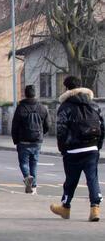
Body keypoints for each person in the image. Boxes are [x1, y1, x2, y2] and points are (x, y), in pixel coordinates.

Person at [50, 76, 103, 222]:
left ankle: (65, 207)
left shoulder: (65, 107)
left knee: (71, 180)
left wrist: (63, 149)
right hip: (92, 148)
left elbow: (61, 130)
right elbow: (102, 127)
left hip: (73, 149)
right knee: (92, 178)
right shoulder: (94, 105)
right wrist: (98, 146)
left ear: (67, 88)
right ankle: (95, 208)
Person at [11, 84, 50, 194]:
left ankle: (27, 177)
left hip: (23, 141)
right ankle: (34, 186)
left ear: (25, 94)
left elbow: (15, 125)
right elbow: (48, 125)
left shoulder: (21, 108)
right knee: (34, 163)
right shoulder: (42, 108)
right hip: (37, 140)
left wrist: (15, 140)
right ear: (35, 94)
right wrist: (41, 134)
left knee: (23, 163)